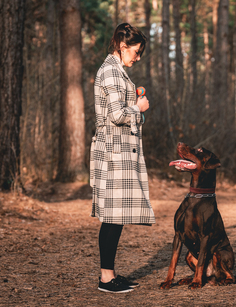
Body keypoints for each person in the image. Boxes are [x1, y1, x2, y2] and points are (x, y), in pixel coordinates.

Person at [90, 23, 155, 293]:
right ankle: (106, 279)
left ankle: (110, 275)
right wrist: (138, 109)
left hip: (117, 150)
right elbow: (117, 115)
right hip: (113, 153)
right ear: (122, 45)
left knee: (115, 216)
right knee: (112, 216)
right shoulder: (111, 71)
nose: (137, 58)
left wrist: (133, 102)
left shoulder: (116, 71)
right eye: (136, 52)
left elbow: (116, 109)